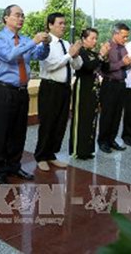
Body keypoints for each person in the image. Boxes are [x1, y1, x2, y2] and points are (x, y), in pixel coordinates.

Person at [0, 4, 50, 185]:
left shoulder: (24, 39)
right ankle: (0, 170)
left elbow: (39, 55)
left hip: (22, 90)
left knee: (19, 131)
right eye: (17, 15)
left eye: (23, 16)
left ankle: (14, 165)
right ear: (6, 18)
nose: (21, 19)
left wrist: (45, 45)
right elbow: (9, 55)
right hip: (5, 89)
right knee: (3, 131)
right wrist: (33, 41)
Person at [34, 12, 82, 171]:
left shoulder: (67, 43)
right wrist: (69, 55)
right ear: (50, 25)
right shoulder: (44, 44)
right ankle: (41, 156)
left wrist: (74, 56)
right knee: (48, 122)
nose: (63, 26)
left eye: (64, 23)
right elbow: (50, 66)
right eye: (60, 23)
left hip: (64, 88)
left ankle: (51, 154)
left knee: (60, 123)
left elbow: (77, 66)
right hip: (50, 87)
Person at [69, 28, 110, 159]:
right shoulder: (80, 52)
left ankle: (87, 149)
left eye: (96, 38)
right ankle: (77, 150)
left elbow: (105, 68)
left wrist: (105, 56)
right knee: (81, 118)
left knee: (91, 119)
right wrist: (100, 56)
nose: (95, 41)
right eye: (92, 38)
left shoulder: (93, 53)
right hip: (83, 86)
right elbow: (88, 66)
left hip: (94, 87)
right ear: (83, 39)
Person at [97, 23, 131, 154]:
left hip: (121, 83)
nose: (125, 39)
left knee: (117, 114)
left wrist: (128, 63)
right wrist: (122, 63)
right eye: (124, 37)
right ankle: (103, 141)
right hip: (109, 84)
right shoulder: (106, 47)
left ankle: (112, 139)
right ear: (116, 34)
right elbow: (103, 69)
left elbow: (126, 67)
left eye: (126, 37)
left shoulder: (123, 48)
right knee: (107, 114)